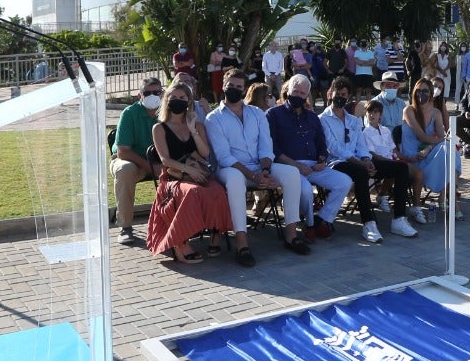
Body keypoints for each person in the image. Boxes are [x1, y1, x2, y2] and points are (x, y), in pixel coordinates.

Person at [206, 68, 305, 265]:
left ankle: (291, 236)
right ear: (223, 86)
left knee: (292, 173)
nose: (234, 89)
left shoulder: (257, 114)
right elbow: (224, 156)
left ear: (244, 90)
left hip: (259, 167)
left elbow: (266, 146)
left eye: (238, 86)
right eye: (230, 85)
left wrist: (266, 171)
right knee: (234, 181)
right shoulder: (213, 118)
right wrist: (254, 176)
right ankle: (242, 244)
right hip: (232, 169)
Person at [147, 82, 230, 263]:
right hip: (174, 176)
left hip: (198, 174)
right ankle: (181, 242)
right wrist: (189, 169)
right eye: (173, 97)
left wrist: (193, 131)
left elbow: (205, 154)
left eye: (182, 98)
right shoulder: (159, 128)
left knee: (217, 190)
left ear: (189, 101)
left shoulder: (198, 125)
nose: (178, 101)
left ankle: (217, 233)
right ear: (166, 100)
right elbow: (165, 160)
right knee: (192, 192)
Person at [269, 74, 353, 243]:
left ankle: (323, 219)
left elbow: (322, 143)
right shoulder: (273, 114)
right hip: (288, 167)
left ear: (307, 95)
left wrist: (322, 159)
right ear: (288, 91)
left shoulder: (312, 117)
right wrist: (295, 165)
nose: (298, 96)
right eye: (296, 91)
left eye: (302, 93)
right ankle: (309, 223)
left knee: (345, 182)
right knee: (306, 190)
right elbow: (272, 148)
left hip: (314, 166)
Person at [320, 80, 388, 243]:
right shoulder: (323, 119)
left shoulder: (353, 120)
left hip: (356, 162)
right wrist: (359, 163)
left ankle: (398, 218)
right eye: (338, 94)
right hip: (335, 162)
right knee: (360, 172)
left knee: (395, 168)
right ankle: (368, 222)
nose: (340, 98)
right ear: (331, 94)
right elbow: (333, 147)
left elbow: (360, 144)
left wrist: (366, 158)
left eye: (344, 95)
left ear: (349, 96)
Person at [113, 77, 166, 245]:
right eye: (147, 93)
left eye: (157, 92)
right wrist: (152, 168)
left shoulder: (168, 112)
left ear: (163, 94)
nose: (153, 96)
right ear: (139, 96)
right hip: (132, 160)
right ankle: (125, 227)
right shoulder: (129, 113)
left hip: (160, 160)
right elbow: (123, 151)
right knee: (125, 170)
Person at [401, 79, 456, 221]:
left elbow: (442, 137)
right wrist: (433, 143)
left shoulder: (436, 113)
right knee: (448, 149)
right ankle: (447, 198)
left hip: (428, 155)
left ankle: (444, 195)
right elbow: (422, 136)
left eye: (425, 91)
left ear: (431, 94)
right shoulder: (409, 111)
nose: (421, 94)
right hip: (413, 157)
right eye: (418, 91)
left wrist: (430, 148)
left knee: (449, 149)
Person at [362, 100, 419, 235]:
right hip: (376, 164)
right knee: (400, 169)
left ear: (380, 115)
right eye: (370, 112)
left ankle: (393, 204)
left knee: (408, 169)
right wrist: (393, 162)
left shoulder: (386, 130)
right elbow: (372, 154)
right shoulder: (365, 133)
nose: (372, 115)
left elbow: (394, 149)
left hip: (390, 162)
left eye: (375, 112)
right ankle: (399, 216)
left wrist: (403, 159)